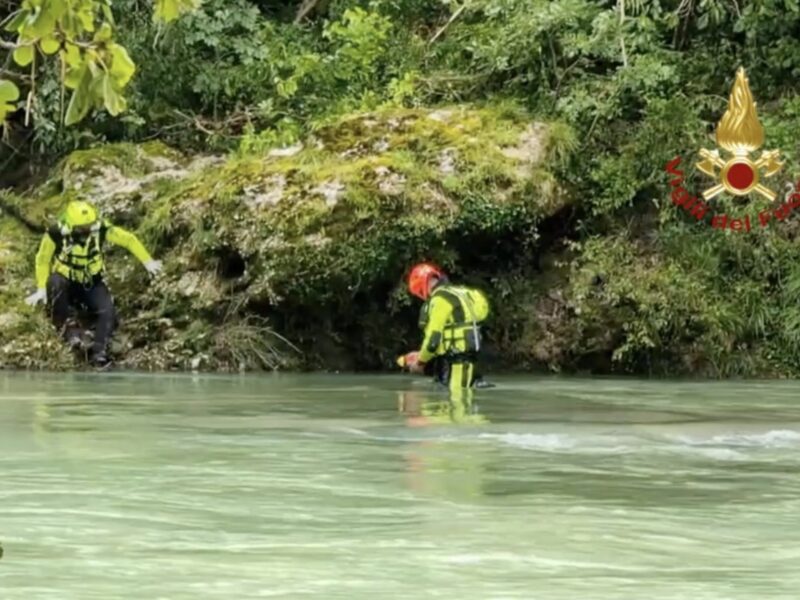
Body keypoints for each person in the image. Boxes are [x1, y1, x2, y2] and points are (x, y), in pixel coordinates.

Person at [24, 200, 162, 366]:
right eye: (82, 229)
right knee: (54, 282)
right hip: (65, 282)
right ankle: (70, 332)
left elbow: (128, 240)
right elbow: (43, 259)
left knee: (108, 312)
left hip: (91, 283)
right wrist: (41, 288)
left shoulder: (102, 230)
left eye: (89, 226)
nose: (86, 232)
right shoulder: (56, 233)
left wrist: (148, 262)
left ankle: (99, 352)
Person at [398, 262, 490, 393]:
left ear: (422, 286)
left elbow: (433, 341)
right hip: (473, 358)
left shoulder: (440, 299)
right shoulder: (462, 293)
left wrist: (420, 362)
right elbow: (481, 314)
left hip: (457, 360)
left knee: (456, 401)